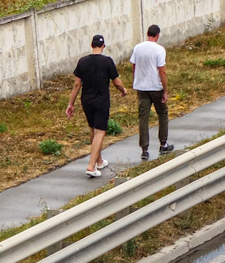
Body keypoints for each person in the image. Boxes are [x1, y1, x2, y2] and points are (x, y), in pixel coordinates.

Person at [66, 34, 126, 178]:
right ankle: (91, 166)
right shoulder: (107, 61)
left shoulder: (83, 61)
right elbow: (116, 82)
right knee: (100, 131)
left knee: (93, 128)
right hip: (101, 100)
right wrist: (123, 90)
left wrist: (70, 104)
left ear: (91, 45)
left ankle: (99, 161)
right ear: (103, 46)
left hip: (86, 100)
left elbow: (77, 84)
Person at [129, 24, 174, 160]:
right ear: (158, 35)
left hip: (141, 87)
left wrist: (136, 79)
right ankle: (163, 143)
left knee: (144, 117)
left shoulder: (138, 48)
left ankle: (144, 148)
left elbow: (134, 66)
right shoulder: (159, 50)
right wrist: (165, 90)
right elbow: (162, 71)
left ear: (147, 34)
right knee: (162, 114)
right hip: (155, 87)